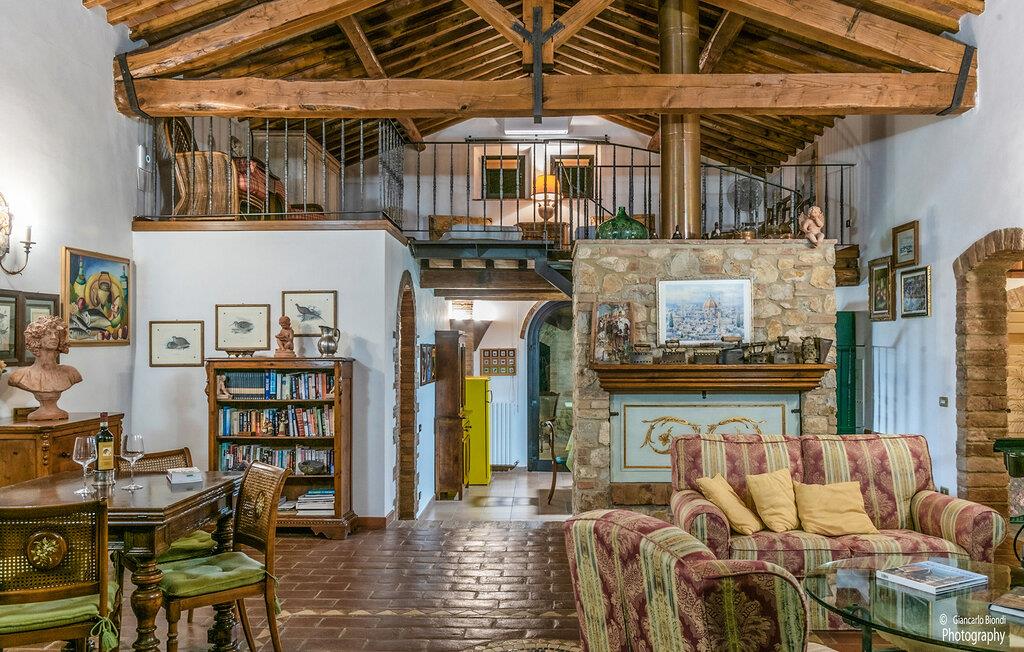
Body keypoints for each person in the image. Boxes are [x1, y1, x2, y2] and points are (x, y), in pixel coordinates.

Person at [9, 316, 82, 420]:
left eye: (56, 334)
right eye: (48, 333)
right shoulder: (20, 376)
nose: (54, 337)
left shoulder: (71, 373)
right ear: (37, 338)